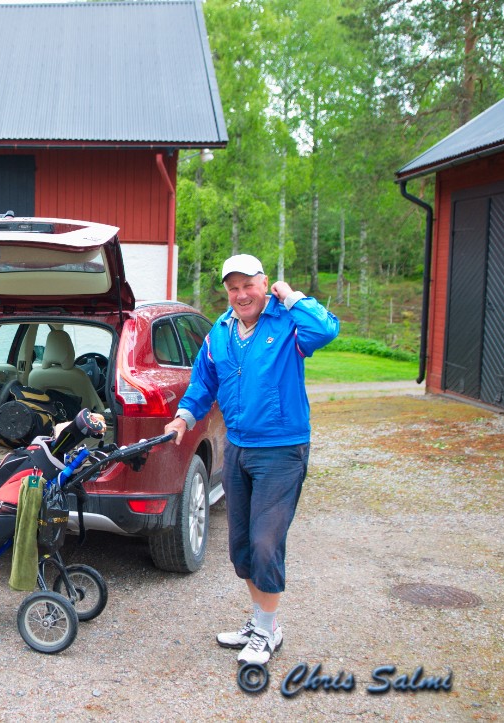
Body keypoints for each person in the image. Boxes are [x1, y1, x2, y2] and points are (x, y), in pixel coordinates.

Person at [164, 253, 339, 665]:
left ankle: (266, 631)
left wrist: (293, 297)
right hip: (239, 446)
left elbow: (327, 330)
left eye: (249, 285)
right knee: (241, 546)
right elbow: (203, 381)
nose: (242, 294)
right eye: (233, 288)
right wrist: (182, 419)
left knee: (265, 543)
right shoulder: (220, 333)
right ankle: (263, 622)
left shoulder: (288, 321)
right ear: (226, 292)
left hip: (281, 448)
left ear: (264, 283)